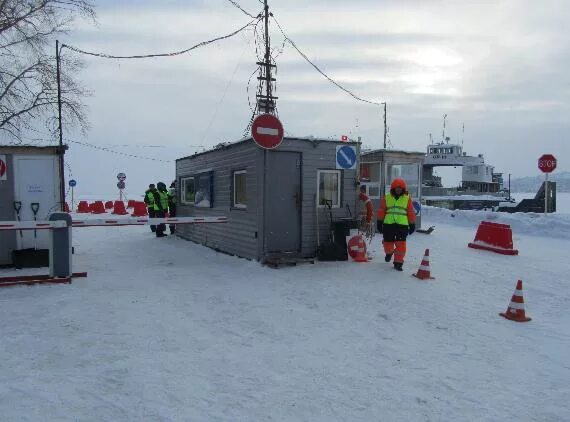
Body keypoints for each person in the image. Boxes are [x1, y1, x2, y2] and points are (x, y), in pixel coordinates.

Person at [377, 178, 416, 271]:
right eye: (397, 188)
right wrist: (379, 221)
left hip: (402, 225)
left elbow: (410, 212)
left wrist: (412, 224)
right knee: (387, 243)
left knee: (401, 245)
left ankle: (398, 263)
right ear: (393, 188)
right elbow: (381, 210)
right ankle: (389, 253)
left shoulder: (407, 198)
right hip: (388, 224)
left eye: (400, 188)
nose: (398, 190)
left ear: (403, 189)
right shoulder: (387, 197)